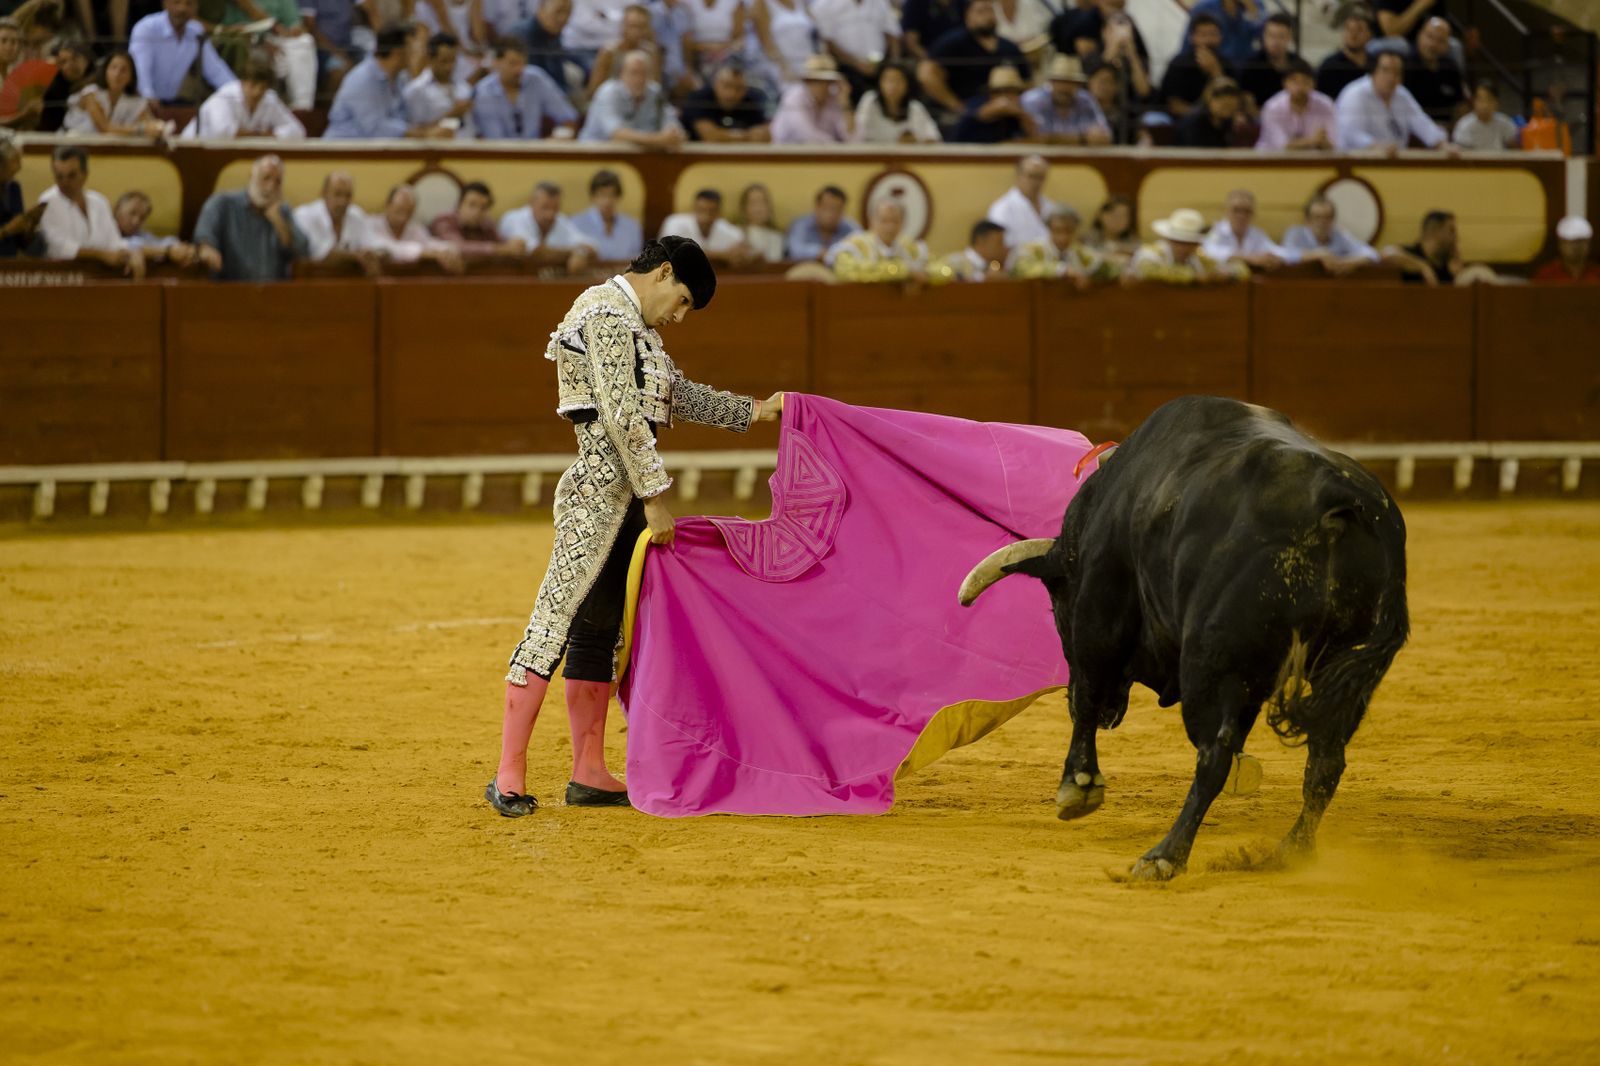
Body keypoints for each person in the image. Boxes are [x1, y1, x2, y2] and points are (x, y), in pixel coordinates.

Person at [488, 236, 785, 816]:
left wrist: (755, 410)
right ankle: (508, 774)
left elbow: (680, 395)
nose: (678, 316)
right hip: (596, 497)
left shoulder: (638, 329)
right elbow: (621, 411)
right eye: (681, 301)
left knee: (599, 632)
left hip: (623, 503)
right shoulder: (602, 312)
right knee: (555, 621)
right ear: (664, 272)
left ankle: (589, 772)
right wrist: (654, 495)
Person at [192, 154, 307, 280]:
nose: (271, 187)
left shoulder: (282, 211)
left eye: (277, 181)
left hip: (273, 294)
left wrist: (279, 222)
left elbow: (303, 250)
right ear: (251, 177)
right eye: (266, 178)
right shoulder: (222, 203)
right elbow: (204, 236)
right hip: (229, 291)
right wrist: (207, 249)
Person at [36, 144, 144, 278]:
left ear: (85, 174)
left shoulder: (99, 202)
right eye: (59, 177)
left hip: (102, 275)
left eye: (71, 176)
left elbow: (114, 242)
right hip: (63, 277)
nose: (65, 182)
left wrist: (130, 253)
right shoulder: (47, 202)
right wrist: (102, 255)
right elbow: (58, 247)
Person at [920, 0, 1029, 121]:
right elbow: (926, 73)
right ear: (968, 16)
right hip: (967, 108)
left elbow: (1027, 81)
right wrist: (956, 106)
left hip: (1006, 107)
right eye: (980, 11)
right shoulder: (952, 43)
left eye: (990, 10)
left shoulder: (1009, 47)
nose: (987, 16)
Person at [1334, 48, 1454, 153]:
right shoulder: (1354, 94)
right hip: (1357, 161)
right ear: (1373, 72)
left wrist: (1441, 144)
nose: (1391, 77)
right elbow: (1350, 133)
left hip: (1394, 161)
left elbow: (1421, 121)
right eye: (1386, 70)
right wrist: (1376, 146)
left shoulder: (1402, 94)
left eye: (1397, 72)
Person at [327, 29, 439, 138]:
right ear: (397, 53)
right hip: (341, 152)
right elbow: (375, 128)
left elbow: (403, 118)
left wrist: (426, 130)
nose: (416, 55)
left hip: (375, 152)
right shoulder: (363, 78)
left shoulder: (398, 79)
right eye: (411, 50)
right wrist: (421, 134)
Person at [127, 0, 238, 104]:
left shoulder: (196, 31)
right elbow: (140, 73)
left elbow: (216, 71)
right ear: (165, 3)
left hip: (172, 104)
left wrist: (239, 93)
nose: (182, 9)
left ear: (196, 7)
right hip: (141, 103)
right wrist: (148, 98)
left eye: (189, 3)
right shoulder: (147, 28)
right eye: (177, 2)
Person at [181, 53, 306, 138]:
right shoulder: (225, 96)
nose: (257, 93)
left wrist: (271, 134)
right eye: (252, 86)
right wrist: (260, 135)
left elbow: (298, 131)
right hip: (191, 149)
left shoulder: (270, 99)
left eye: (262, 88)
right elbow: (223, 132)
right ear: (242, 82)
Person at [474, 38, 578, 139]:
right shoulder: (484, 91)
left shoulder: (536, 78)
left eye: (522, 63)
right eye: (513, 63)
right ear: (496, 62)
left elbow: (568, 118)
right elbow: (494, 142)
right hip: (498, 154)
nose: (519, 69)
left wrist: (555, 141)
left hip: (536, 152)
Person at [221, 0, 318, 110]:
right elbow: (250, 13)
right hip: (245, 37)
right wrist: (268, 37)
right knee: (273, 59)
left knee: (305, 41)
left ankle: (302, 108)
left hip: (275, 38)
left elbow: (293, 23)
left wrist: (294, 31)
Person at [579, 48, 685, 146]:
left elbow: (672, 124)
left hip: (636, 154)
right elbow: (617, 134)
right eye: (634, 73)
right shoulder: (608, 92)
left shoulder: (655, 91)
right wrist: (658, 139)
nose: (639, 79)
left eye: (644, 73)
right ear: (621, 74)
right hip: (595, 154)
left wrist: (674, 134)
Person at [1125, 206, 1247, 285]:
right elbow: (1148, 270)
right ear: (1168, 240)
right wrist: (1194, 277)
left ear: (1197, 244)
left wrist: (1230, 274)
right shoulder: (1151, 253)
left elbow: (1240, 269)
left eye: (1190, 243)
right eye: (1179, 242)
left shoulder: (1199, 258)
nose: (1184, 248)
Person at [362, 182, 465, 271]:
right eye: (399, 211)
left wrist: (448, 250)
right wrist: (433, 254)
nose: (403, 218)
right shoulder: (370, 224)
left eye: (408, 213)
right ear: (387, 205)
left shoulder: (415, 228)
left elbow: (429, 243)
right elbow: (390, 249)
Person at [61, 50, 163, 138]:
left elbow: (150, 122)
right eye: (113, 68)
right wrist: (141, 130)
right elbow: (104, 128)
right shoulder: (91, 93)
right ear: (105, 71)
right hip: (72, 145)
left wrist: (159, 127)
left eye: (123, 70)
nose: (117, 74)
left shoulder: (134, 100)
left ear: (131, 76)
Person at [811, 0, 900, 100]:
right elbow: (828, 41)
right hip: (846, 68)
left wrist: (893, 64)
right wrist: (858, 64)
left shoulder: (880, 2)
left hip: (879, 66)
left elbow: (892, 33)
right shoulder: (825, 4)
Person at [826, 198, 928, 282]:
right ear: (872, 222)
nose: (890, 227)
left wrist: (924, 275)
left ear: (902, 223)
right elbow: (846, 271)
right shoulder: (856, 244)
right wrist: (903, 272)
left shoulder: (908, 246)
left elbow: (935, 267)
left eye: (895, 221)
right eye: (884, 221)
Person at [1386, 209, 1494, 286]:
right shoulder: (1411, 253)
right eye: (1451, 231)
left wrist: (1458, 276)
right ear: (1435, 231)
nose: (1456, 237)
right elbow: (1387, 253)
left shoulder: (1448, 263)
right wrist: (1423, 267)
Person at [1011, 206, 1113, 286]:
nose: (1063, 237)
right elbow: (1022, 268)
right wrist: (1062, 270)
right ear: (1049, 229)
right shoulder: (1033, 249)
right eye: (1058, 230)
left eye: (1069, 231)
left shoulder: (1081, 252)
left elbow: (1104, 267)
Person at [1281, 194, 1380, 275]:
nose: (1322, 222)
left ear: (1333, 220)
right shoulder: (1295, 233)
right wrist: (1318, 254)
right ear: (1307, 220)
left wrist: (1348, 263)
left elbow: (1371, 254)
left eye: (1327, 217)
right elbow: (1285, 255)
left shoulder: (1339, 235)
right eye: (1317, 217)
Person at [1021, 53, 1108, 145]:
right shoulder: (1033, 100)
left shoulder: (1086, 100)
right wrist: (1083, 138)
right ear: (1051, 82)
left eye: (1070, 82)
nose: (1064, 87)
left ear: (1078, 85)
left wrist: (1058, 139)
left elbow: (1105, 136)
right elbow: (1037, 137)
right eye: (1060, 81)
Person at [1160, 12, 1235, 118]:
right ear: (1192, 38)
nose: (1208, 40)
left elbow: (1233, 102)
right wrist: (1201, 118)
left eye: (1213, 34)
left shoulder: (1227, 63)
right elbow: (1174, 105)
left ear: (1220, 37)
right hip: (1184, 121)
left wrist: (1216, 72)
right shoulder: (1179, 63)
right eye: (1203, 35)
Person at [406, 32, 477, 139]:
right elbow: (415, 132)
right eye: (444, 61)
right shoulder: (417, 90)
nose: (449, 67)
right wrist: (452, 114)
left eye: (453, 61)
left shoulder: (464, 88)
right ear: (430, 58)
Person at [1202, 188, 1295, 270]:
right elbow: (1210, 252)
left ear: (1253, 214)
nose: (1241, 215)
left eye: (1247, 211)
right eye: (1236, 210)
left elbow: (1278, 251)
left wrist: (1274, 258)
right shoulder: (1215, 230)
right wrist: (1250, 258)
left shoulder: (1257, 234)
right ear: (1226, 211)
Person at [291, 170, 373, 262]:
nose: (343, 202)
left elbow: (372, 247)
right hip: (314, 275)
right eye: (337, 194)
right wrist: (357, 256)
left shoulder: (357, 215)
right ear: (324, 193)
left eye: (348, 195)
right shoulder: (305, 215)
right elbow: (320, 254)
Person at [1255, 57, 1335, 150]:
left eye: (1305, 81)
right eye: (1294, 81)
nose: (1300, 87)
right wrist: (1313, 140)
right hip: (1271, 160)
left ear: (1314, 84)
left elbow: (1333, 144)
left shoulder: (1325, 105)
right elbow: (1282, 146)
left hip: (1312, 160)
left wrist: (1324, 142)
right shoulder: (1273, 107)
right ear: (1284, 83)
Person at [852, 58, 940, 143]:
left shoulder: (915, 107)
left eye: (898, 80)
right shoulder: (870, 100)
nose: (892, 86)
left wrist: (917, 141)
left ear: (907, 84)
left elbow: (933, 137)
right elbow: (857, 134)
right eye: (888, 80)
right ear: (879, 83)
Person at [430, 180, 526, 257]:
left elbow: (502, 245)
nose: (477, 212)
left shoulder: (486, 224)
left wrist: (514, 245)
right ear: (459, 205)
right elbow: (457, 248)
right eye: (472, 205)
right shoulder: (444, 221)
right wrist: (498, 249)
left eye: (483, 207)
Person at [681, 59, 769, 141]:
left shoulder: (751, 100)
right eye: (727, 86)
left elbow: (765, 135)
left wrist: (725, 136)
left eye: (739, 88)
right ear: (716, 84)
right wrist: (747, 136)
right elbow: (710, 136)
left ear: (746, 88)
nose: (732, 93)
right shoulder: (699, 98)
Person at [770, 53, 850, 143]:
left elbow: (852, 138)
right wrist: (840, 148)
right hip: (785, 154)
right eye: (815, 81)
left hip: (821, 154)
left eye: (826, 81)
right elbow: (807, 135)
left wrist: (845, 103)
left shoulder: (834, 99)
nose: (822, 86)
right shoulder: (793, 98)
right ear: (807, 81)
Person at [571, 168, 645, 261]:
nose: (607, 201)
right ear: (593, 197)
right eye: (602, 195)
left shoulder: (633, 226)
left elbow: (636, 262)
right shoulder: (576, 224)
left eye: (612, 195)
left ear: (618, 197)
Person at [587, 3, 663, 94]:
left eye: (642, 27)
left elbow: (655, 87)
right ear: (623, 26)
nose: (637, 32)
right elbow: (594, 89)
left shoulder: (651, 52)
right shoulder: (609, 53)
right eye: (633, 26)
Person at [950, 62, 1033, 144]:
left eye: (1010, 91)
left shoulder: (1021, 108)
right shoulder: (977, 103)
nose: (1004, 96)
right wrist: (996, 109)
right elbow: (970, 120)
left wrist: (1021, 114)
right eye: (997, 92)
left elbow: (1033, 136)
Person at [986, 154, 1055, 252]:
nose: (1036, 182)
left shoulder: (1051, 207)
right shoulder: (1002, 208)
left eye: (1041, 177)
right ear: (1018, 176)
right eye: (1031, 176)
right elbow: (998, 247)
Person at [658, 187, 748, 262]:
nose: (705, 216)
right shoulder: (674, 222)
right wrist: (722, 256)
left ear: (719, 212)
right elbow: (670, 253)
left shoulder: (729, 231)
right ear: (693, 208)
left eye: (711, 211)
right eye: (701, 210)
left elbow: (740, 253)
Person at [1404, 16, 1464, 125]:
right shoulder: (1406, 65)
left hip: (1446, 128)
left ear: (1447, 45)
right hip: (1415, 128)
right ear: (1419, 35)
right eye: (1430, 37)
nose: (1433, 45)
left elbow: (1460, 105)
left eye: (1440, 41)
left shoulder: (1450, 67)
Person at [113, 190, 197, 265]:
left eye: (142, 218)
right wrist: (168, 251)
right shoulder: (106, 230)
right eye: (132, 213)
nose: (136, 221)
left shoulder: (139, 234)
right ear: (117, 209)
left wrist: (183, 249)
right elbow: (128, 246)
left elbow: (162, 242)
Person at [1238, 12, 1295, 112]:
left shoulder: (1298, 65)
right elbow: (1247, 102)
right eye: (1271, 36)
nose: (1275, 41)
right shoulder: (1252, 66)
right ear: (1263, 36)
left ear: (1289, 37)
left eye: (1281, 36)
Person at [784, 183, 859, 260]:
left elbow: (864, 248)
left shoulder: (850, 226)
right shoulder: (801, 225)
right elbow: (794, 251)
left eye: (837, 209)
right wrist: (820, 252)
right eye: (826, 208)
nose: (831, 214)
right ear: (817, 207)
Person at [36, 36, 93, 133]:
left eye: (74, 59)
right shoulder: (53, 92)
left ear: (86, 59)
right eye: (63, 62)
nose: (69, 65)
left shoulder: (100, 84)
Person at [0, 134, 44, 257]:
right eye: (15, 161)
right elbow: (10, 230)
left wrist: (31, 223)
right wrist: (6, 231)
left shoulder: (14, 188)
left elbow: (22, 242)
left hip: (11, 260)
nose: (19, 167)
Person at [1317, 4, 1373, 100]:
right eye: (1349, 29)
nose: (1353, 34)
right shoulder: (1330, 66)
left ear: (1369, 34)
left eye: (1359, 29)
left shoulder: (1376, 64)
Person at [1184, 0, 1261, 68]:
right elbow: (1187, 45)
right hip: (1211, 67)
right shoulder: (1204, 7)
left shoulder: (1256, 5)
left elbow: (1263, 38)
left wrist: (1253, 12)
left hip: (1245, 70)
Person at [1173, 76, 1243, 149]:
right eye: (1225, 106)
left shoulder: (1230, 124)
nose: (1228, 111)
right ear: (1209, 100)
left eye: (1232, 107)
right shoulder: (1192, 124)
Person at [1452, 80, 1517, 152]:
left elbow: (1514, 148)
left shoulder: (1505, 122)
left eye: (1489, 100)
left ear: (1496, 103)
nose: (1485, 105)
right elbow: (1462, 153)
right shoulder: (1464, 124)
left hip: (1499, 161)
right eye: (1480, 100)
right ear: (1473, 102)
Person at [1533, 216, 1600, 283]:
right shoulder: (1546, 275)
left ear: (1589, 245)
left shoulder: (1597, 274)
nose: (1575, 247)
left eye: (1580, 242)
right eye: (1570, 242)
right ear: (1560, 245)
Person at [943, 218, 1007, 282]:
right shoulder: (954, 263)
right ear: (981, 241)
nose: (1003, 248)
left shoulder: (994, 268)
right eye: (999, 243)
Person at [735, 183, 784, 262]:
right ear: (744, 208)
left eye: (763, 202)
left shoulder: (777, 237)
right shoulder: (735, 233)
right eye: (753, 203)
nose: (759, 209)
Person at [1085, 192, 1137, 265]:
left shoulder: (1133, 243)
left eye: (1123, 216)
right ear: (1101, 215)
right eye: (1114, 215)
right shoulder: (1089, 239)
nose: (1118, 220)